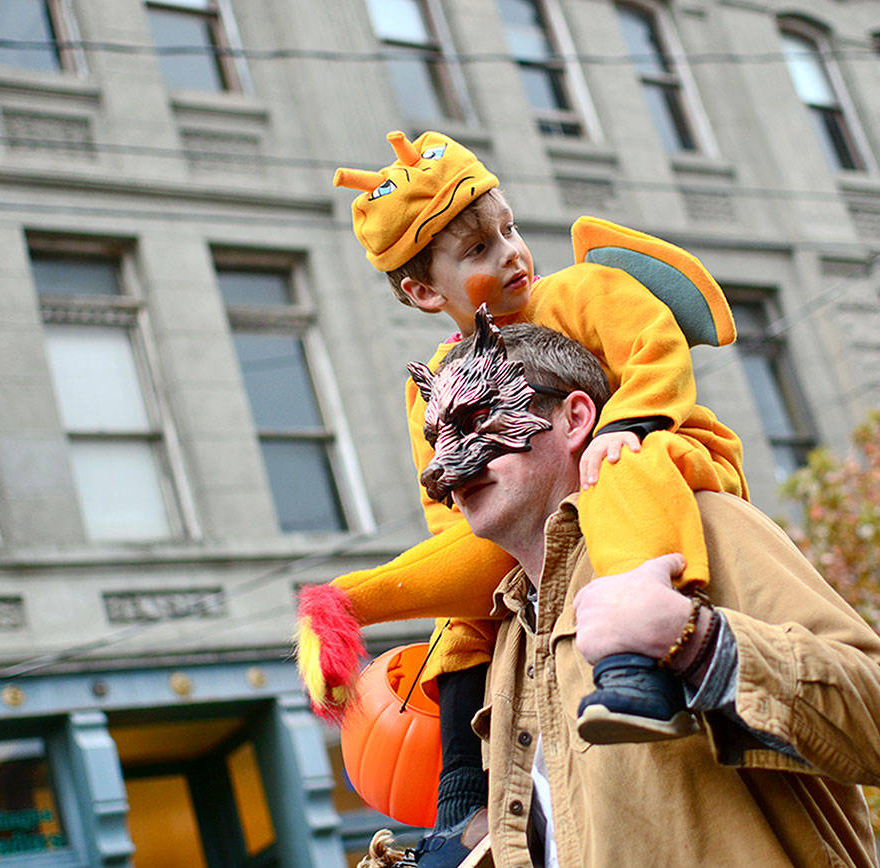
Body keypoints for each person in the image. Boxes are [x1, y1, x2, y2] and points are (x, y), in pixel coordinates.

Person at [296, 129, 746, 861]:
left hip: (662, 459)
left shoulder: (579, 292)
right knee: (462, 621)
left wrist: (623, 423)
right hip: (546, 546)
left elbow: (655, 351)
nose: (511, 253)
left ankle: (636, 665)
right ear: (420, 290)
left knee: (617, 471)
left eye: (508, 229)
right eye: (477, 249)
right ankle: (458, 810)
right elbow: (469, 543)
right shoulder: (434, 387)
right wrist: (350, 602)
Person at [415, 313, 880, 867]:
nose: (446, 463)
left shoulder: (702, 525)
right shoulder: (508, 632)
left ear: (575, 418)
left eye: (477, 419)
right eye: (438, 438)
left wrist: (695, 640)